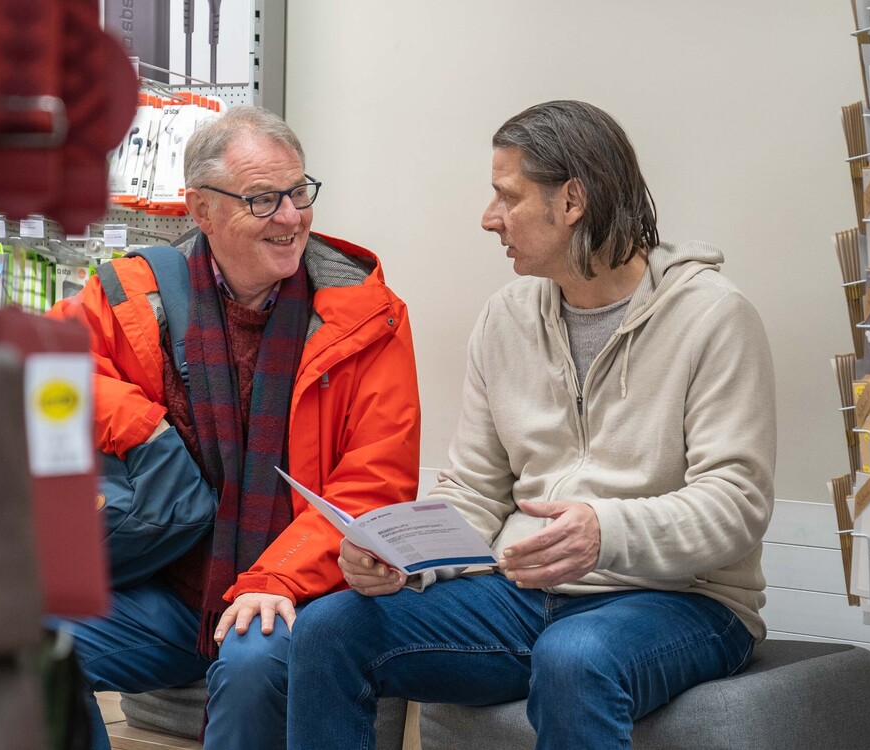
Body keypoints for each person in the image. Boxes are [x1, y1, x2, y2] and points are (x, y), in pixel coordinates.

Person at [286, 100, 775, 749]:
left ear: (570, 200)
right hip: (522, 593)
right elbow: (475, 492)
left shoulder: (713, 318)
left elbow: (734, 506)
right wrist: (401, 557)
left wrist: (605, 532)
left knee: (576, 656)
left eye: (506, 197)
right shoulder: (506, 318)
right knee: (327, 628)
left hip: (683, 600)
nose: (489, 219)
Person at [47, 105, 421, 750]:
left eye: (298, 192)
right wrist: (140, 426)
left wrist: (275, 580)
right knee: (25, 650)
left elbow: (375, 484)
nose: (290, 217)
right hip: (167, 594)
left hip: (293, 594)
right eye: (262, 199)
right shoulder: (133, 296)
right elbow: (42, 377)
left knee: (252, 669)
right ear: (200, 210)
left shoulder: (368, 317)